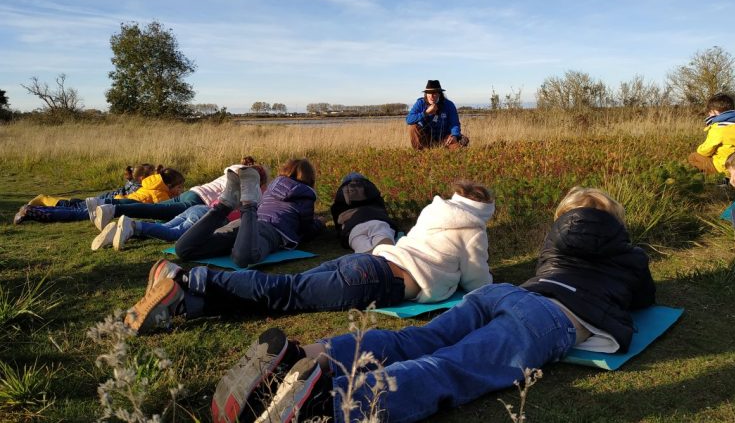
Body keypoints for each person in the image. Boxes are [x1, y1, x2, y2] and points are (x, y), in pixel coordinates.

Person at [209, 186, 656, 423]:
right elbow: (643, 299)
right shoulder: (628, 256)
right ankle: (326, 407)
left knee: (419, 339)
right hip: (551, 317)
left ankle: (300, 358)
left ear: (565, 220)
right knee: (453, 367)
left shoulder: (552, 245)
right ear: (615, 222)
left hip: (508, 295)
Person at [122, 180, 494, 336]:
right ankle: (192, 277)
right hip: (380, 279)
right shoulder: (473, 230)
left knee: (287, 291)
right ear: (483, 210)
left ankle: (188, 302)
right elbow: (477, 281)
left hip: (367, 264)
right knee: (287, 292)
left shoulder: (435, 213)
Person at [170, 158, 324, 265]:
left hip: (245, 223)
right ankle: (249, 203)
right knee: (243, 258)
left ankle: (223, 206)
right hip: (271, 231)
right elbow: (306, 229)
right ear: (310, 178)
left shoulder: (272, 186)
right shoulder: (306, 195)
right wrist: (319, 224)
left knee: (184, 251)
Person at [93, 165, 269, 251]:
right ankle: (134, 226)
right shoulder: (253, 195)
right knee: (174, 234)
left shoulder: (233, 183)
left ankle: (119, 229)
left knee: (163, 227)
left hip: (199, 208)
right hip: (205, 217)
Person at [88, 157, 257, 230]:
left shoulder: (231, 170)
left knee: (155, 209)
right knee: (157, 212)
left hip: (193, 192)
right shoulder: (248, 181)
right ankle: (114, 210)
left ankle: (104, 204)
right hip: (198, 202)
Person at [13, 164, 158, 225]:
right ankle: (41, 202)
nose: (155, 178)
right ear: (143, 177)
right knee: (75, 208)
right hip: (108, 200)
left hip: (107, 198)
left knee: (75, 206)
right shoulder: (141, 186)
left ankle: (37, 207)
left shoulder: (136, 183)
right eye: (153, 175)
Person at [687, 94, 735, 175]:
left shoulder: (720, 127)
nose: (709, 115)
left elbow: (705, 151)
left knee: (693, 157)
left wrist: (700, 149)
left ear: (714, 111)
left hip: (726, 167)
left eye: (709, 112)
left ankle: (716, 177)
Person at [329, 172, 397, 253]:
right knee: (383, 241)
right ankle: (383, 254)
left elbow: (339, 224)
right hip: (367, 225)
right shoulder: (375, 201)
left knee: (364, 244)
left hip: (356, 228)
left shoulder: (339, 206)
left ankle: (378, 255)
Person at [406, 80, 469, 150]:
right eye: (428, 93)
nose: (431, 96)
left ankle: (448, 148)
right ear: (426, 94)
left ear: (439, 94)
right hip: (426, 139)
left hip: (444, 138)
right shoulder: (420, 103)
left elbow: (455, 123)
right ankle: (419, 152)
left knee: (460, 144)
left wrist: (454, 135)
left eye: (434, 93)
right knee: (413, 127)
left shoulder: (449, 105)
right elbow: (409, 120)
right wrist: (426, 113)